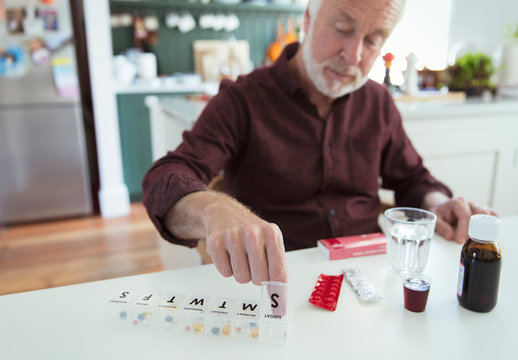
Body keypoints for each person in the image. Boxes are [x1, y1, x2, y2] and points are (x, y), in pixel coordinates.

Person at [143, 0, 496, 286]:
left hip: (369, 277)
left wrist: (439, 201)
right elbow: (165, 178)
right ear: (308, 19)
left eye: (373, 40)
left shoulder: (377, 102)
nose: (354, 54)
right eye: (342, 29)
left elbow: (411, 179)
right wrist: (214, 210)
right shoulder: (243, 99)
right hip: (275, 282)